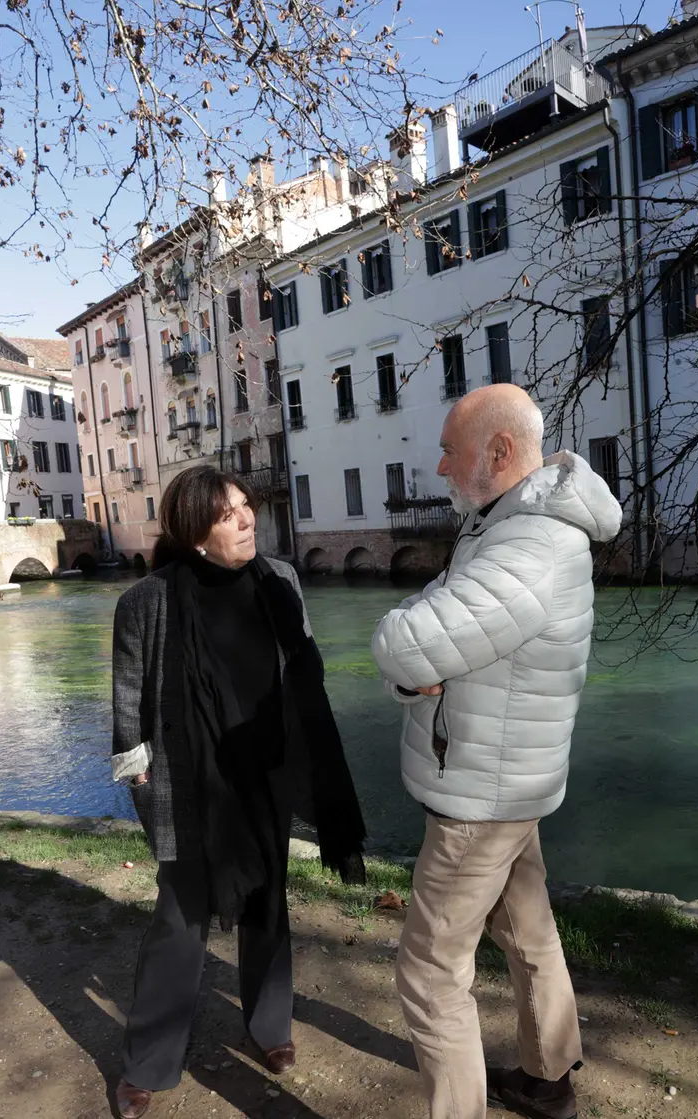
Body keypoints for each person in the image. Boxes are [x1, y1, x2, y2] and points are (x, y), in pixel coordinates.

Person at [371, 384, 622, 1119]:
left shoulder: (530, 545)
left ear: (500, 451)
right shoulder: (509, 524)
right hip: (509, 781)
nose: (442, 466)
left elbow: (403, 640)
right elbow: (437, 628)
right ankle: (547, 1079)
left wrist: (414, 664)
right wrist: (422, 667)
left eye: (451, 450)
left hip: (482, 798)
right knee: (527, 929)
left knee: (429, 967)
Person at [111, 465, 366, 1119]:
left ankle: (269, 1024)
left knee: (268, 902)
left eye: (248, 506)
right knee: (179, 922)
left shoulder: (279, 580)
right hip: (188, 783)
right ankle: (149, 1061)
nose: (249, 518)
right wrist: (138, 780)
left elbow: (302, 671)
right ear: (196, 532)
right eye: (229, 513)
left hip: (265, 774)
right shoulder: (145, 600)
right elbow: (127, 705)